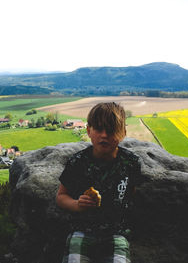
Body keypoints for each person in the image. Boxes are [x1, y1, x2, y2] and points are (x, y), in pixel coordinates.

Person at [56, 102, 142, 263]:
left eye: (111, 130)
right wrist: (77, 204)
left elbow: (132, 194)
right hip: (82, 230)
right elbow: (61, 196)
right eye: (98, 129)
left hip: (117, 232)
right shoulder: (77, 162)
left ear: (123, 133)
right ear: (89, 131)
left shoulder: (131, 163)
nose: (104, 135)